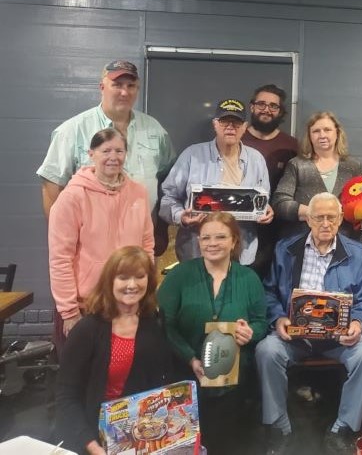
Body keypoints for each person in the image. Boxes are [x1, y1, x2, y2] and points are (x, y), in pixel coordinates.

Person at [256, 192, 362, 455]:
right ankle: (280, 428)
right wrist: (279, 317)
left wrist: (357, 324)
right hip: (296, 336)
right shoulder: (285, 249)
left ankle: (343, 428)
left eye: (331, 217)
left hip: (339, 339)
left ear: (339, 221)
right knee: (267, 351)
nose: (325, 223)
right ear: (308, 220)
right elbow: (269, 292)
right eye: (319, 217)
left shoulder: (358, 254)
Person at [157, 212, 267, 455]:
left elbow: (261, 322)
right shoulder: (178, 277)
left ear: (234, 241)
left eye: (220, 237)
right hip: (184, 379)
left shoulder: (249, 279)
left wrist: (250, 333)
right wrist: (190, 358)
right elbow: (165, 325)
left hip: (234, 382)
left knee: (227, 445)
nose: (212, 243)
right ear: (199, 241)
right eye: (206, 238)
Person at [55, 246, 170, 455]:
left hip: (136, 436)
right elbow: (66, 397)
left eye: (139, 277)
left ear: (149, 281)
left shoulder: (153, 323)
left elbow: (154, 386)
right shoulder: (87, 329)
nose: (132, 285)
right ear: (110, 282)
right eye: (123, 277)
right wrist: (92, 447)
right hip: (90, 436)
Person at [48, 128, 154, 348]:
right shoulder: (72, 197)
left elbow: (147, 247)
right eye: (106, 151)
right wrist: (69, 311)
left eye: (119, 151)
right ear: (91, 154)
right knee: (84, 377)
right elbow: (60, 258)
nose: (113, 157)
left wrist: (145, 295)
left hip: (128, 304)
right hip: (86, 306)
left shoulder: (139, 193)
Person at [37, 60, 173, 218]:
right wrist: (64, 235)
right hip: (89, 235)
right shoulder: (72, 130)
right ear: (102, 87)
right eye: (117, 85)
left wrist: (159, 230)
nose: (125, 92)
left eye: (131, 86)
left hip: (140, 235)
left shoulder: (155, 130)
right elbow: (52, 188)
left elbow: (167, 180)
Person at [160, 99, 274, 266]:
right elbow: (167, 198)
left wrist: (265, 211)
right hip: (196, 254)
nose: (230, 127)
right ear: (215, 124)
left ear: (244, 127)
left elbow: (263, 201)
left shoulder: (256, 159)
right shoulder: (192, 155)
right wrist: (181, 217)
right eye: (224, 121)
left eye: (236, 122)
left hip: (241, 255)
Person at [272, 111, 362, 239]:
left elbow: (361, 201)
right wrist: (315, 213)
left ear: (337, 133)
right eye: (316, 131)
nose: (322, 135)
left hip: (344, 241)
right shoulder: (297, 165)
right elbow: (280, 203)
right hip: (303, 241)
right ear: (309, 135)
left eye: (327, 130)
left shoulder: (353, 166)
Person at [243, 84, 299, 275]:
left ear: (280, 112)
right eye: (261, 104)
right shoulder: (237, 138)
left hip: (278, 230)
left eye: (273, 106)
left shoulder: (292, 146)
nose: (266, 109)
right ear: (252, 107)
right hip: (240, 226)